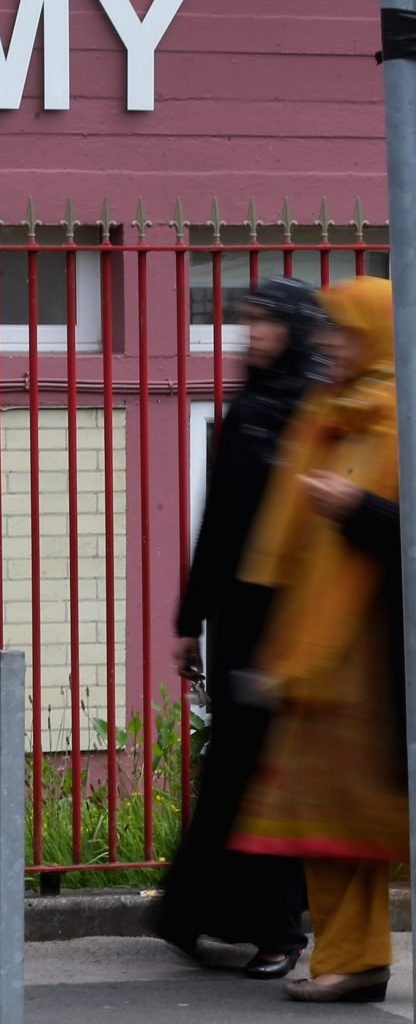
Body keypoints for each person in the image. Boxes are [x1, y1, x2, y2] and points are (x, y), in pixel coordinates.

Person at [229, 275, 412, 1004]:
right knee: (328, 824)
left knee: (384, 815)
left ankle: (354, 958)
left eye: (343, 329)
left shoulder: (399, 413)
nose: (327, 343)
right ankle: (351, 960)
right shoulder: (326, 412)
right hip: (322, 658)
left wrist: (358, 508)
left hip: (382, 655)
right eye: (325, 329)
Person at [149, 278, 324, 976]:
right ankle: (196, 912)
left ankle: (278, 930)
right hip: (239, 622)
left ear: (296, 330)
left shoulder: (318, 411)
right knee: (232, 770)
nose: (253, 335)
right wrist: (190, 619)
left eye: (266, 323)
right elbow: (218, 524)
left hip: (298, 620)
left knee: (270, 774)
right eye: (247, 322)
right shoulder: (246, 409)